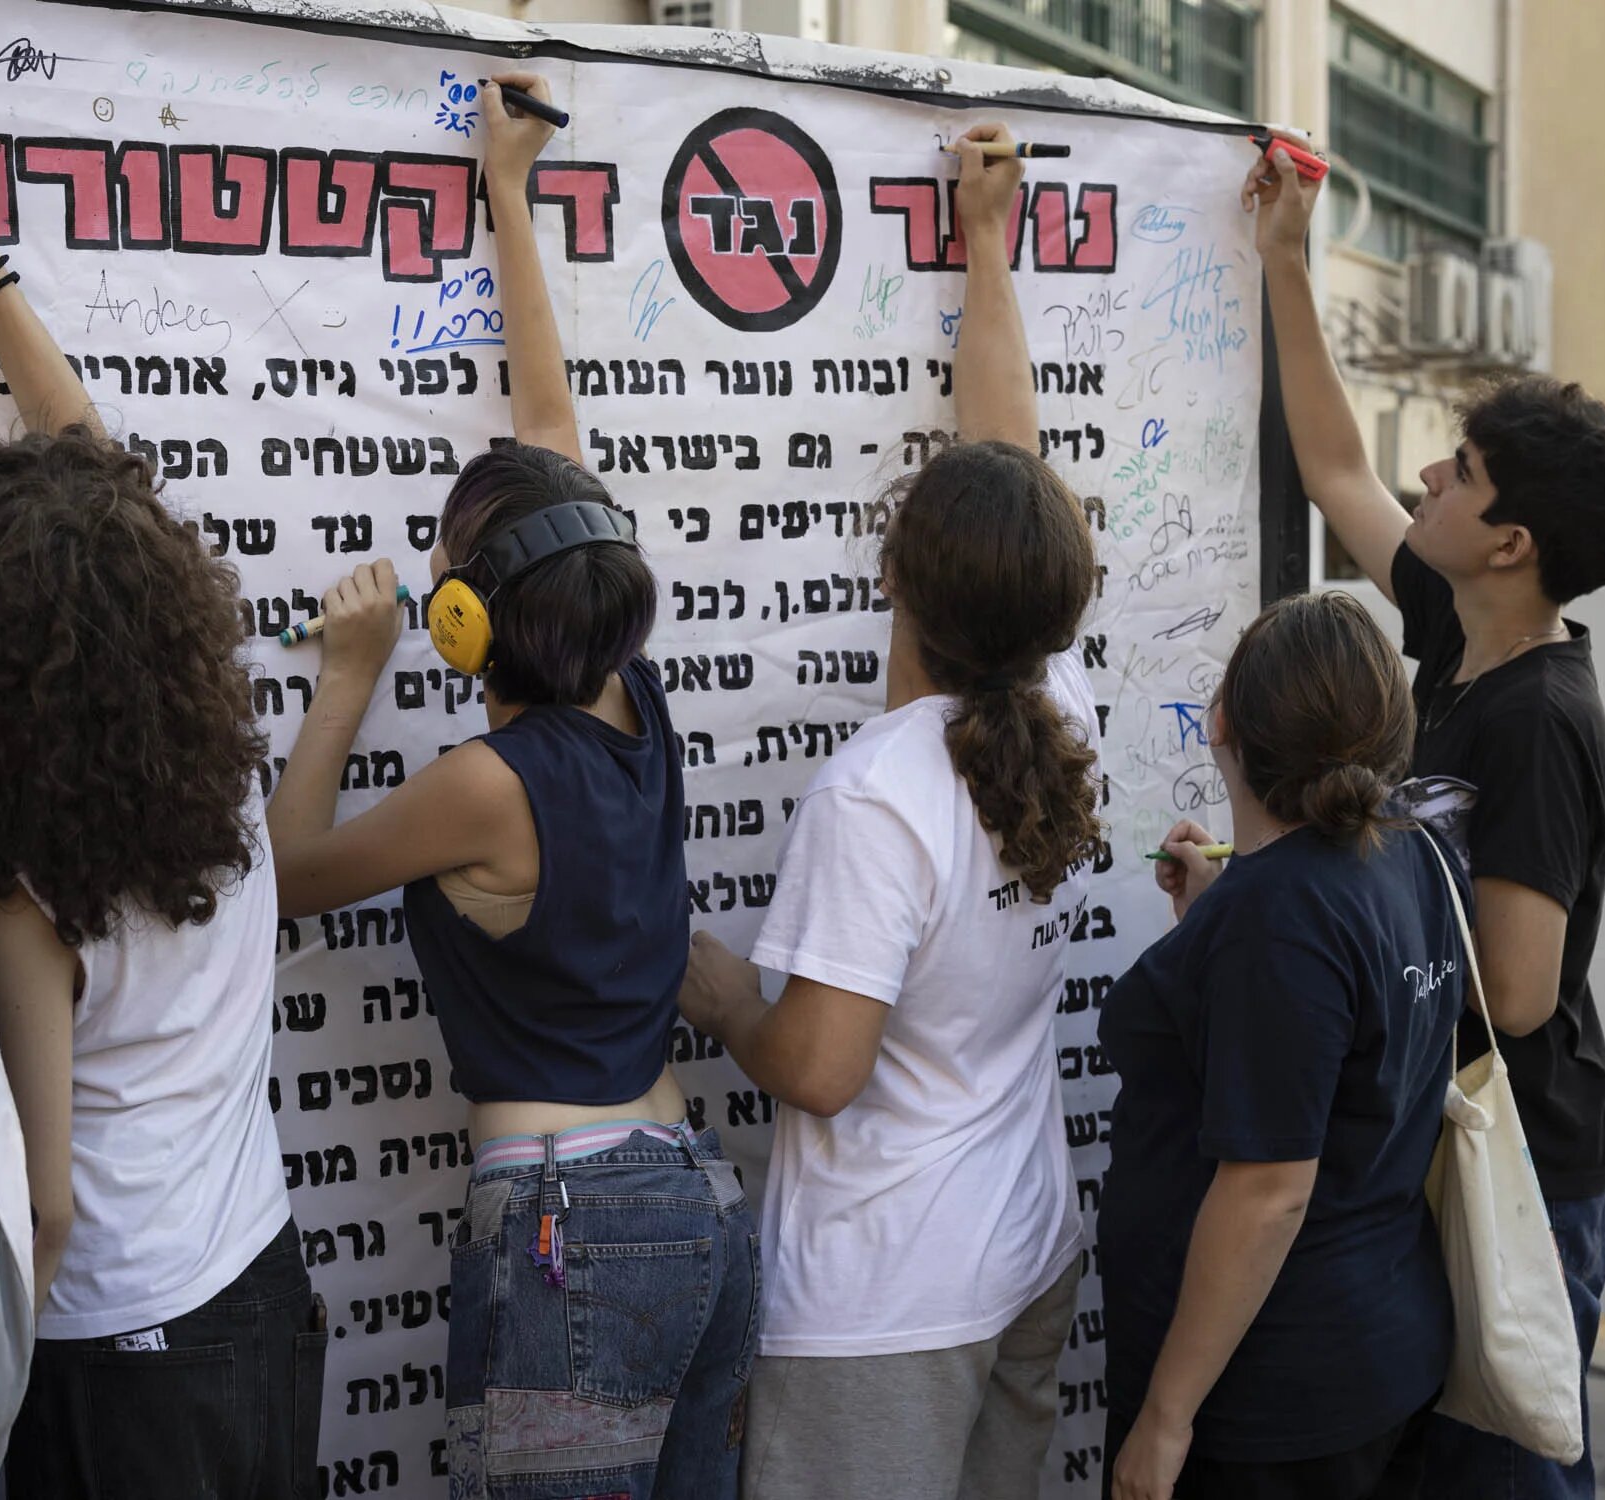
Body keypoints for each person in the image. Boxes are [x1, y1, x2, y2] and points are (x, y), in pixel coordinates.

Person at [264, 73, 759, 1500]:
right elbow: (553, 432)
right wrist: (506, 198)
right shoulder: (631, 697)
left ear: (468, 622)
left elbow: (289, 877)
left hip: (572, 1224)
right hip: (692, 1199)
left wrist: (348, 677)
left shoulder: (490, 783)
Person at [0, 101, 321, 1499]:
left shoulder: (21, 895)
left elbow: (46, 1203)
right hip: (257, 1286)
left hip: (111, 1352)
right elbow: (102, 492)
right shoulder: (215, 765)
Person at [676, 125, 1100, 1500]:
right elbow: (1012, 462)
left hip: (884, 1309)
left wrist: (720, 989)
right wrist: (986, 244)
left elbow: (816, 1067)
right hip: (1021, 1253)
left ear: (895, 582)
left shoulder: (878, 791)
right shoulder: (1061, 711)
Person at [1248, 136, 1605, 1499]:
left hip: (1519, 1169)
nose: (1426, 475)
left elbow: (1522, 992)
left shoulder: (1536, 717)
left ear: (1511, 541)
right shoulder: (1457, 632)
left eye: (1462, 469)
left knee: (1512, 1473)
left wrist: (1328, 880)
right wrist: (1285, 261)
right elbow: (1331, 465)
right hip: (1454, 1147)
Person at [1099, 591, 1466, 1500]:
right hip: (1376, 1349)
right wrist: (1217, 917)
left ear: (1221, 721)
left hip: (1269, 1404)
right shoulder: (1410, 853)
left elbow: (1267, 1192)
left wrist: (1164, 1417)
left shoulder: (1279, 919)